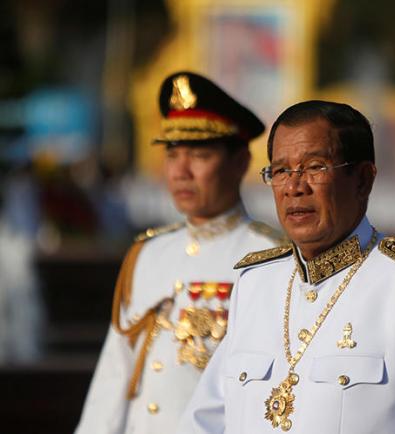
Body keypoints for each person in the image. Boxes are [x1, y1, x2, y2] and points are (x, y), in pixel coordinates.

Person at [177, 100, 395, 433]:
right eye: (280, 171)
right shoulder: (255, 284)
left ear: (363, 180)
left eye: (315, 167)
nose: (295, 187)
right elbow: (204, 422)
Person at [76, 71, 284, 434]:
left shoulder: (271, 259)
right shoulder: (147, 254)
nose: (181, 171)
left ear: (240, 163)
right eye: (173, 154)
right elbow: (114, 375)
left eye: (200, 155)